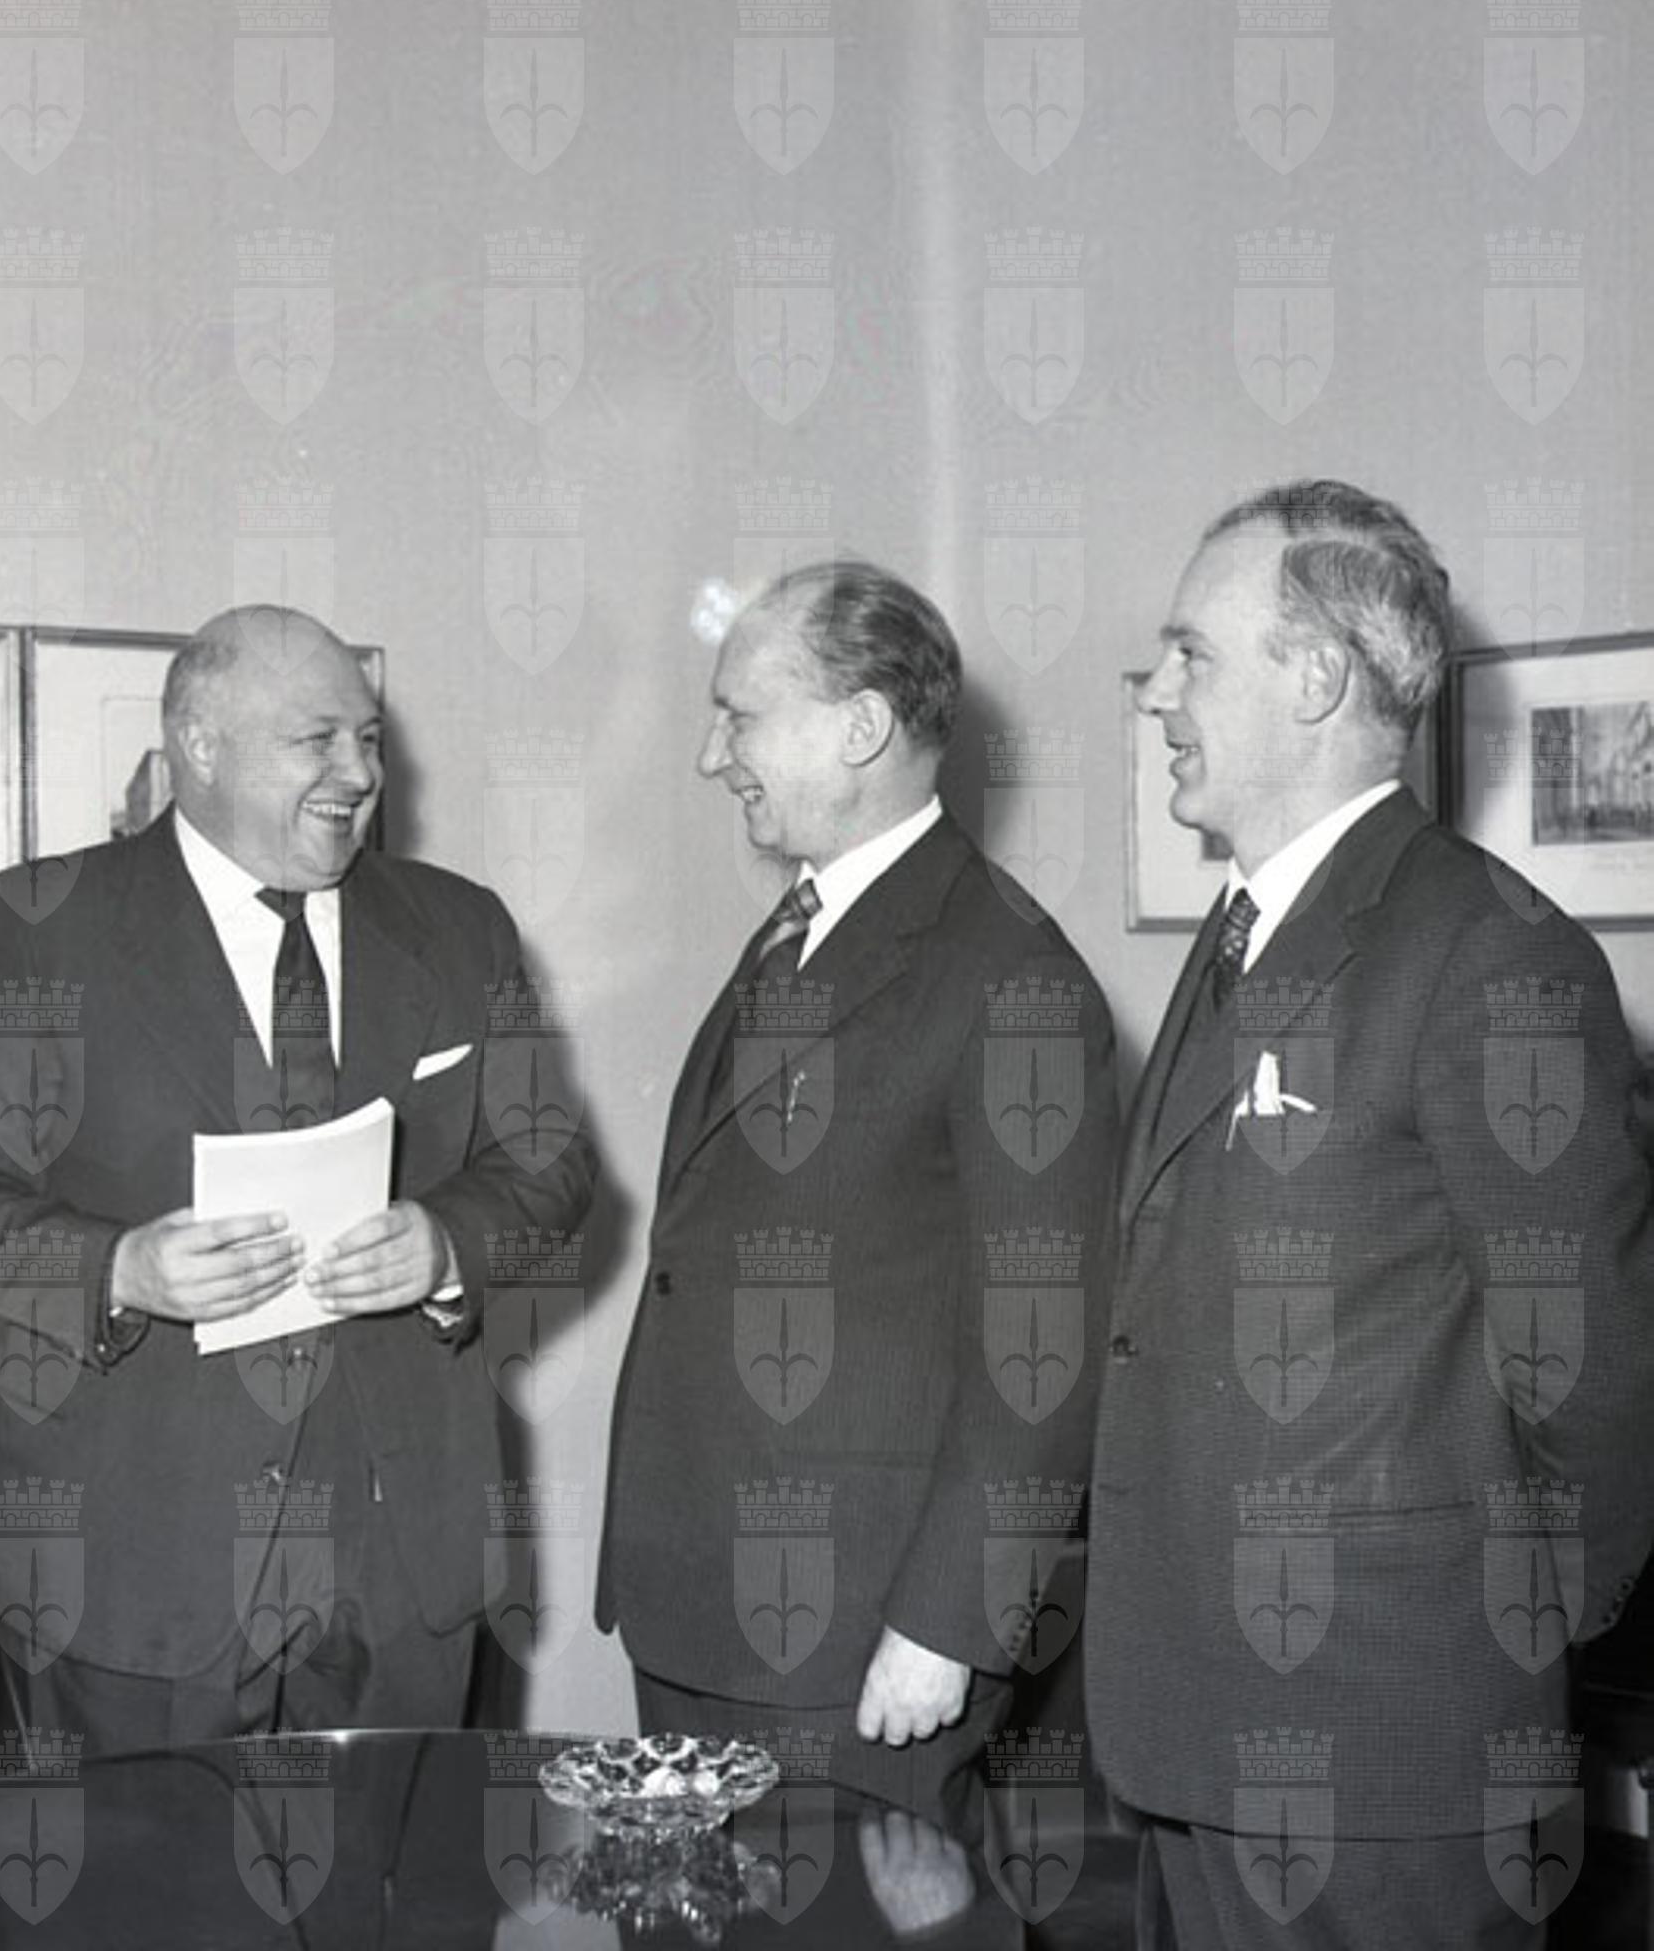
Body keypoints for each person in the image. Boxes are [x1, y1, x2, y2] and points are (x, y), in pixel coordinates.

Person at [1087, 480, 1654, 1947]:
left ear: (1315, 679)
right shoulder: (1248, 928)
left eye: (1189, 654)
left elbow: (1597, 1382)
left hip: (1387, 1762)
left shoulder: (1487, 956)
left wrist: (1493, 1643)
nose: (1156, 695)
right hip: (1194, 1728)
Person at [0, 606, 594, 1750]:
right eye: (317, 739)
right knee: (144, 1868)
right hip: (139, 1567)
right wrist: (118, 1267)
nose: (360, 772)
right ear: (200, 745)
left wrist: (447, 1242)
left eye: (369, 738)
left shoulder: (460, 926)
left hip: (400, 1568)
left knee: (401, 1865)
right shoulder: (38, 926)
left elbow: (552, 1164)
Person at [597, 560, 1117, 1816]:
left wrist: (947, 1620)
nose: (711, 755)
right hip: (703, 1609)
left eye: (739, 715)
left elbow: (1042, 1345)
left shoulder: (1010, 975)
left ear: (860, 725)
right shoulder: (804, 924)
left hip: (856, 1639)